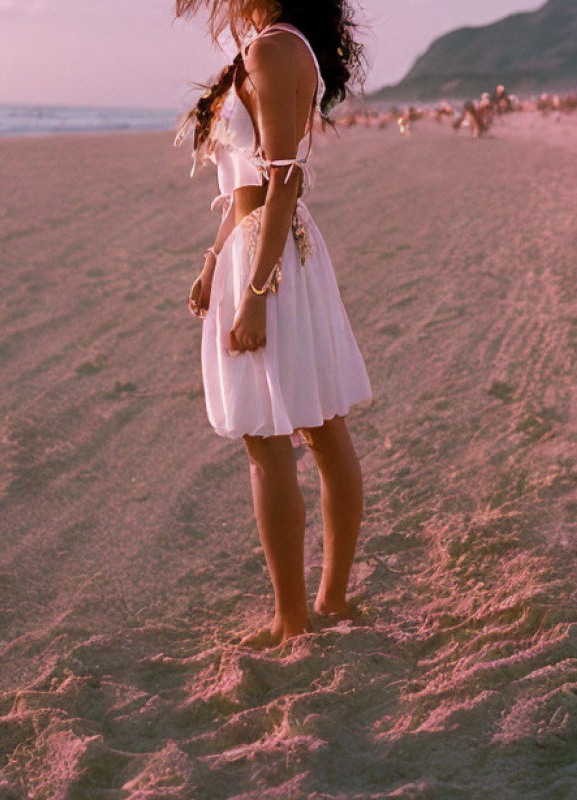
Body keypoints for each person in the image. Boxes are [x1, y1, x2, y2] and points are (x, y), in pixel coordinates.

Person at [174, 0, 373, 649]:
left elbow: (284, 183)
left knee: (273, 439)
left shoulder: (273, 50)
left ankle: (299, 616)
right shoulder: (276, 46)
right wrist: (211, 263)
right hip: (265, 247)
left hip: (273, 257)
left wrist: (256, 292)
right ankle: (330, 600)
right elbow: (247, 189)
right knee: (318, 424)